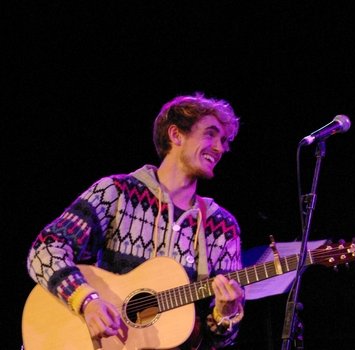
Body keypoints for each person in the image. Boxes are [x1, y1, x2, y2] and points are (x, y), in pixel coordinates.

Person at [26, 93, 245, 349]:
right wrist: (88, 301)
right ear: (176, 135)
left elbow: (220, 342)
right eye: (210, 134)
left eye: (223, 140)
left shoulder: (222, 227)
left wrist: (225, 316)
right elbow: (44, 250)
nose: (220, 148)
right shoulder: (116, 193)